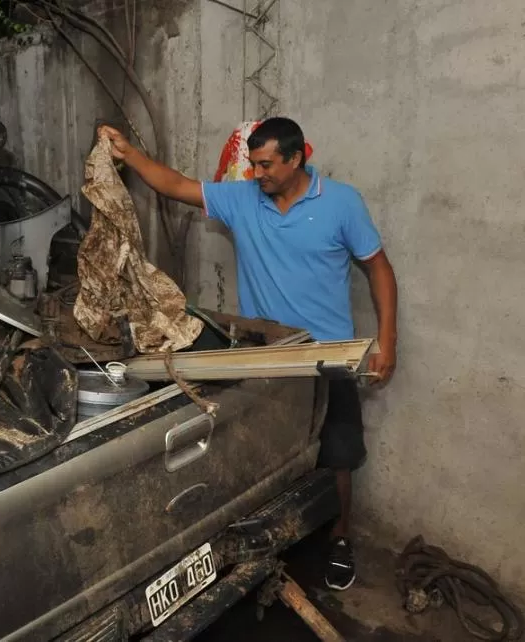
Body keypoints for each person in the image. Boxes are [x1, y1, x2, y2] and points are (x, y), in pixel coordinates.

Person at [99, 118, 398, 591]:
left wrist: (388, 342)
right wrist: (130, 155)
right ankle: (267, 537)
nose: (257, 173)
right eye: (253, 164)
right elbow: (176, 185)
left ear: (296, 158)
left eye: (266, 164)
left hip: (327, 355)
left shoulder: (342, 204)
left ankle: (340, 538)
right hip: (263, 358)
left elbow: (379, 269)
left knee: (338, 455)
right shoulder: (242, 200)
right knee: (263, 452)